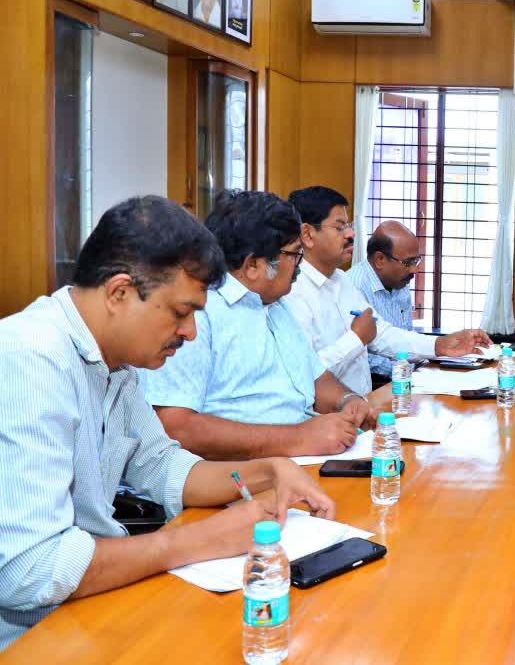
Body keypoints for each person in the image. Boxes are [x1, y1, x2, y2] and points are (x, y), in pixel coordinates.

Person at [0, 196, 334, 651]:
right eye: (181, 313)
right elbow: (30, 570)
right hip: (36, 637)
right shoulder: (30, 359)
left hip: (94, 603)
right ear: (119, 292)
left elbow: (162, 467)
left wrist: (269, 470)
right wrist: (199, 540)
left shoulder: (115, 362)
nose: (191, 332)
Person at [142, 190, 377, 461]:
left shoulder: (277, 305)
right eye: (294, 255)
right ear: (253, 264)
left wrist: (347, 401)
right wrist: (299, 437)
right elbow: (177, 427)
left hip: (302, 459)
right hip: (239, 480)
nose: (299, 267)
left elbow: (315, 378)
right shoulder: (197, 314)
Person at [281, 187, 491, 397]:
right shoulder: (292, 292)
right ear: (307, 235)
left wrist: (440, 345)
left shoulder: (341, 280)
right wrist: (356, 338)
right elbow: (305, 374)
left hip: (361, 407)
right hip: (325, 419)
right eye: (340, 227)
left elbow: (381, 334)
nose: (351, 234)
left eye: (349, 225)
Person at [346, 221, 420, 383]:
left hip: (403, 375)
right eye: (408, 263)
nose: (414, 270)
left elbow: (406, 335)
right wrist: (405, 369)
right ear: (380, 259)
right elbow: (358, 354)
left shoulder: (400, 282)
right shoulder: (353, 286)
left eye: (417, 261)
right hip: (371, 382)